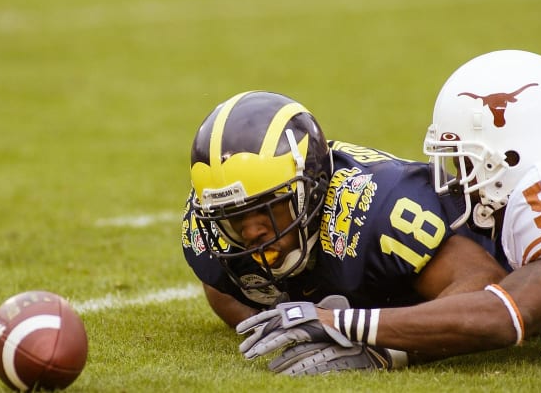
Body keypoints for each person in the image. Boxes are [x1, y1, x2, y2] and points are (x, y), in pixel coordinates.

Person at [236, 50, 541, 375]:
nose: (455, 178)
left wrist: (338, 321)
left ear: (510, 151)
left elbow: (505, 316)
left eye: (463, 159)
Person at [181, 90, 507, 367]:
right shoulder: (216, 240)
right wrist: (280, 326)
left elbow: (486, 284)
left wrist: (380, 343)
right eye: (232, 217)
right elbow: (221, 288)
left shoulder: (378, 210)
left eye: (268, 208)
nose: (251, 232)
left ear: (313, 190)